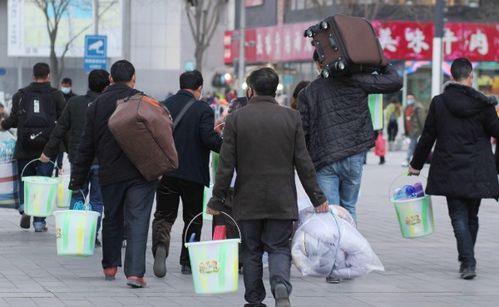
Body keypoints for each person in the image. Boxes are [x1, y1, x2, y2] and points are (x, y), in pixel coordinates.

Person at [207, 67, 329, 307]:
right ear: (275, 89)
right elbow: (304, 162)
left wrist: (216, 199)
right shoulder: (291, 118)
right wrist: (317, 197)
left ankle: (254, 299)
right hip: (281, 199)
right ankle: (280, 284)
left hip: (247, 199)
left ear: (250, 90)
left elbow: (226, 165)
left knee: (251, 250)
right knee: (279, 247)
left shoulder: (235, 119)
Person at [409, 58, 499, 280]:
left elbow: (428, 135)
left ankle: (467, 261)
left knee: (457, 216)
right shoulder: (484, 104)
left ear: (451, 77)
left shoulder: (440, 102)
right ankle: (468, 260)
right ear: (470, 77)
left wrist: (415, 164)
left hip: (450, 168)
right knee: (472, 216)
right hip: (477, 170)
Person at [69, 60, 157, 288]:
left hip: (109, 172)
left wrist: (76, 179)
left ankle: (110, 265)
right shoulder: (143, 100)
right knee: (138, 220)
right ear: (134, 77)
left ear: (110, 79)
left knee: (112, 217)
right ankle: (135, 274)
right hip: (141, 172)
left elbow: (85, 144)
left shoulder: (98, 104)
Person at [298, 50, 402, 221]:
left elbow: (304, 131)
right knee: (349, 207)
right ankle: (351, 244)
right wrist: (381, 61)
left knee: (331, 211)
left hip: (324, 159)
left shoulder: (308, 92)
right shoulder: (357, 81)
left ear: (318, 64)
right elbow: (395, 82)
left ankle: (336, 247)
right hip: (354, 154)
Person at [151, 70, 223, 277]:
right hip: (193, 174)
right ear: (199, 88)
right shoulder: (203, 109)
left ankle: (161, 247)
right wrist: (226, 145)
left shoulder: (164, 106)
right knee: (192, 217)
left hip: (166, 172)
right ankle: (187, 261)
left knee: (164, 214)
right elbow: (207, 139)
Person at [40, 69, 110, 247]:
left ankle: (76, 234)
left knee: (77, 195)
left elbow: (60, 129)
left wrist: (47, 151)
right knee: (97, 200)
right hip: (102, 161)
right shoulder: (110, 104)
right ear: (107, 84)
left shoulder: (74, 103)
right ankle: (92, 236)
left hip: (79, 159)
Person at [0, 63, 65, 232]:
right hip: (47, 149)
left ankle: (25, 206)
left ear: (33, 76)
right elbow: (64, 123)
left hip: (24, 147)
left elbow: (13, 120)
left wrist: (3, 125)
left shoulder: (20, 95)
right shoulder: (56, 95)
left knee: (25, 180)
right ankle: (39, 222)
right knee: (42, 183)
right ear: (49, 76)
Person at [402, 94, 425, 167]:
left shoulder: (418, 107)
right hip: (409, 130)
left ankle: (407, 159)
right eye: (408, 98)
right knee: (415, 147)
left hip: (416, 130)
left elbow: (421, 120)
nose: (409, 100)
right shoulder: (406, 107)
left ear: (414, 98)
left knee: (411, 146)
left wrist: (423, 131)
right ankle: (418, 161)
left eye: (411, 98)